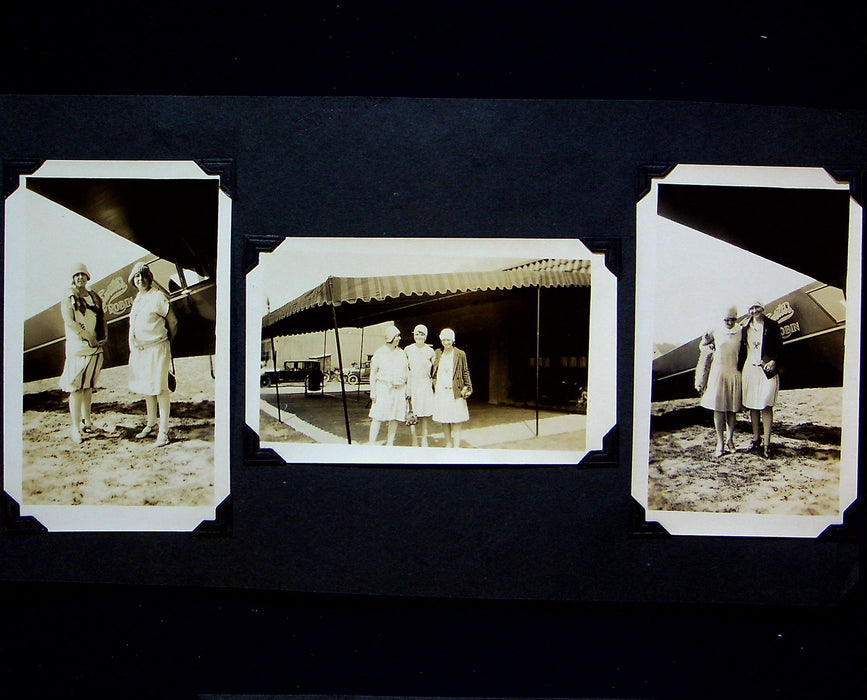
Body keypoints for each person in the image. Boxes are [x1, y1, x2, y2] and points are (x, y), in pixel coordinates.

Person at [128, 262, 177, 448]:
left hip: (157, 348)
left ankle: (163, 433)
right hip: (142, 351)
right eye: (137, 277)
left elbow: (173, 322)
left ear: (150, 278)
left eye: (143, 276)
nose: (140, 279)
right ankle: (151, 423)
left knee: (160, 390)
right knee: (148, 388)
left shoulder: (157, 296)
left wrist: (165, 342)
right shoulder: (139, 298)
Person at [59, 263, 107, 444]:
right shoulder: (68, 296)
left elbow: (101, 317)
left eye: (83, 275)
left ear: (88, 277)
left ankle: (88, 422)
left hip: (95, 346)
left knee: (88, 387)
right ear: (73, 278)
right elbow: (70, 321)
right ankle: (75, 427)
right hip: (78, 347)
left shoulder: (93, 296)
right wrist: (87, 337)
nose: (80, 278)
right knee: (77, 388)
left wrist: (103, 336)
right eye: (77, 275)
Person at [695, 306, 743, 457]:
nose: (729, 322)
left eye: (732, 319)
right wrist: (708, 346)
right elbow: (702, 344)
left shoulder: (741, 330)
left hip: (734, 372)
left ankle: (730, 440)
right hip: (718, 372)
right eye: (726, 319)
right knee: (719, 409)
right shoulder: (715, 330)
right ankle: (720, 442)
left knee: (732, 409)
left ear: (736, 318)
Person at [740, 300, 783, 458]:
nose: (754, 311)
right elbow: (741, 350)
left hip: (767, 371)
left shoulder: (772, 325)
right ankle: (756, 439)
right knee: (753, 406)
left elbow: (780, 347)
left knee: (766, 404)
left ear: (762, 308)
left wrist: (773, 361)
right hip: (750, 370)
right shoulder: (745, 328)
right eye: (751, 308)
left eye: (756, 307)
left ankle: (768, 443)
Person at [367, 325, 409, 446]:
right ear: (390, 337)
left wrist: (407, 390)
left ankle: (390, 443)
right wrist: (373, 391)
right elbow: (373, 374)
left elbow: (406, 372)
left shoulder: (401, 353)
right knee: (378, 416)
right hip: (383, 389)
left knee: (394, 417)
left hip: (399, 389)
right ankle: (371, 443)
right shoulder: (379, 353)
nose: (399, 338)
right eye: (397, 336)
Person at [432, 328, 472, 448]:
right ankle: (448, 443)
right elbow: (434, 370)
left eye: (448, 340)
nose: (446, 342)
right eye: (443, 340)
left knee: (457, 418)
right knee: (444, 418)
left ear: (453, 340)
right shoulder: (438, 353)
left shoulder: (460, 354)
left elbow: (465, 371)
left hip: (455, 390)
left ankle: (456, 445)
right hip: (441, 391)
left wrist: (468, 387)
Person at [405, 324, 436, 447]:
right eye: (417, 333)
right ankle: (414, 440)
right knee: (413, 412)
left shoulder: (430, 351)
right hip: (412, 383)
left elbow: (434, 371)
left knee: (424, 414)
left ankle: (424, 439)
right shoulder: (408, 349)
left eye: (422, 334)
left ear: (426, 335)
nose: (419, 336)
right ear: (413, 334)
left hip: (425, 384)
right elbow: (405, 368)